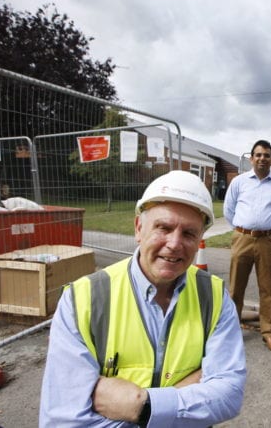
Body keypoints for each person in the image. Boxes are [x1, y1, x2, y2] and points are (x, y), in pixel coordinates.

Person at [39, 170, 246, 427]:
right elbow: (65, 421)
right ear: (139, 228)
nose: (174, 243)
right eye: (164, 228)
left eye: (189, 233)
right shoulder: (84, 300)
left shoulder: (214, 296)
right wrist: (190, 392)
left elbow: (229, 395)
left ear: (200, 239)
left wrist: (143, 405)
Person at [224, 139, 271, 353]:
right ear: (251, 158)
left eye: (267, 155)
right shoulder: (239, 182)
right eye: (258, 155)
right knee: (236, 288)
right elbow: (229, 210)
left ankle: (268, 332)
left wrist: (265, 229)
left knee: (267, 289)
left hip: (268, 241)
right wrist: (244, 229)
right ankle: (232, 332)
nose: (262, 158)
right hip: (242, 238)